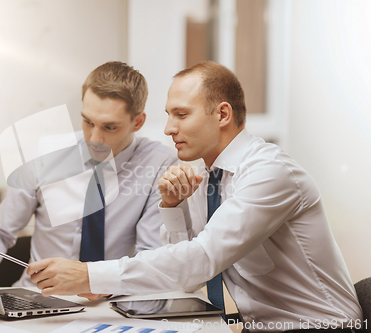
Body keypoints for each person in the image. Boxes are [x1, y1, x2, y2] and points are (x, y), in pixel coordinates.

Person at [26, 61, 363, 331]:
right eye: (169, 114)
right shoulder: (205, 174)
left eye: (181, 114)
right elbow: (190, 279)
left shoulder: (269, 173)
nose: (169, 128)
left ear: (222, 115)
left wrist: (88, 275)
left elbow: (202, 259)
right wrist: (172, 208)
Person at [0, 61, 178, 297]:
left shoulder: (160, 165)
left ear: (138, 122)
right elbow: (0, 231)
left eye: (110, 127)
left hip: (111, 303)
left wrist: (100, 283)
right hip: (36, 297)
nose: (94, 138)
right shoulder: (46, 153)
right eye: (88, 122)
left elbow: (150, 257)